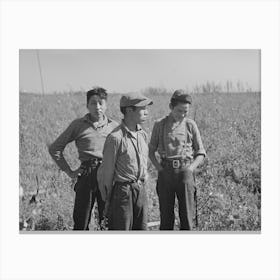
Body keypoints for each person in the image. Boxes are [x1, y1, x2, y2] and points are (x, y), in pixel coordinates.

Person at [48, 87, 118, 230]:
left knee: (108, 220)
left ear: (106, 105)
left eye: (100, 103)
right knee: (81, 220)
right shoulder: (78, 125)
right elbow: (55, 148)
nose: (97, 107)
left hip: (108, 174)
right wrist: (70, 171)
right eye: (93, 103)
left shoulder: (115, 126)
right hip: (87, 173)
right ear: (87, 105)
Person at [149, 89, 206, 230]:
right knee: (166, 218)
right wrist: (160, 169)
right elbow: (150, 152)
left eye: (185, 111)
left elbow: (201, 153)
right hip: (165, 172)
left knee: (187, 218)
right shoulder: (159, 124)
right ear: (171, 107)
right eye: (179, 111)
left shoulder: (190, 125)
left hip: (185, 173)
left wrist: (190, 169)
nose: (182, 115)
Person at [97, 93, 153, 230]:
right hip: (123, 191)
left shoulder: (142, 135)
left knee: (141, 228)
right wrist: (109, 199)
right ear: (129, 111)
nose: (146, 112)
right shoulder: (115, 138)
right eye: (142, 108)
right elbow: (107, 173)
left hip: (140, 189)